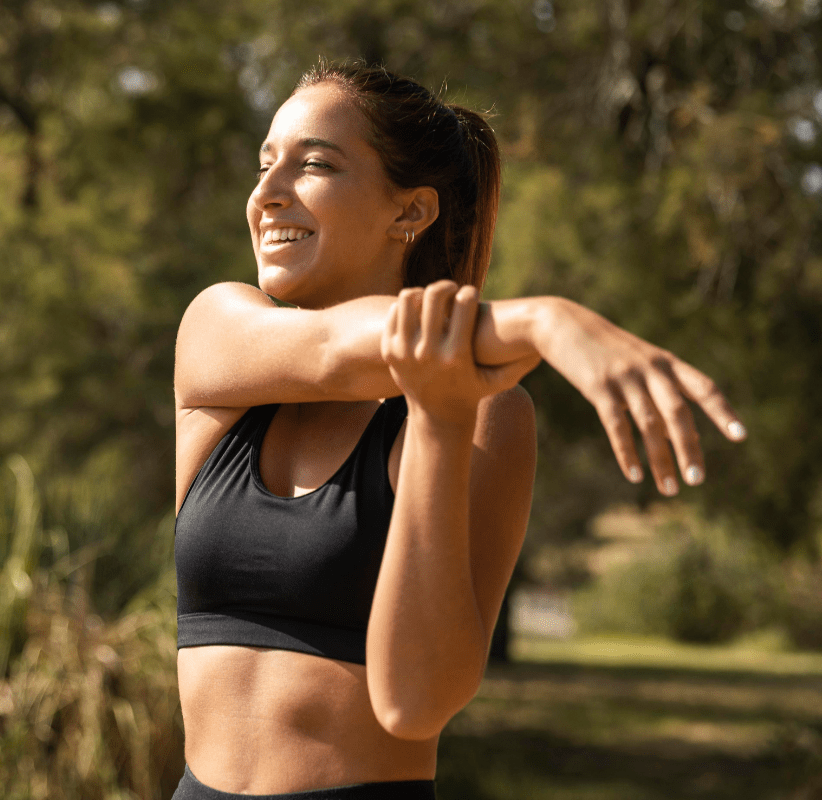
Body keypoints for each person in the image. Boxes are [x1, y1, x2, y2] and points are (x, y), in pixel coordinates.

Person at [170, 61, 745, 800]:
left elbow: (415, 704)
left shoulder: (487, 415)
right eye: (265, 162)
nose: (267, 191)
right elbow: (335, 352)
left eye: (314, 164)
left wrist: (440, 423)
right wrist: (545, 318)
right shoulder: (219, 334)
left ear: (410, 212)